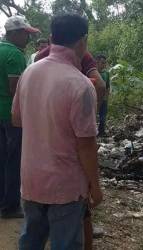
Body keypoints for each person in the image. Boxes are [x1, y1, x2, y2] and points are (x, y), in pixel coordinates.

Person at [12, 13, 103, 249]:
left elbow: (17, 120)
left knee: (30, 240)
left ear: (51, 38)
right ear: (82, 41)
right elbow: (86, 145)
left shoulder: (29, 73)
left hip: (31, 180)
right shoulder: (81, 85)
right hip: (66, 187)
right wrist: (95, 185)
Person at [35, 35, 105, 250]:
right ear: (82, 40)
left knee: (38, 215)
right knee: (79, 210)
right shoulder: (83, 59)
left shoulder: (38, 60)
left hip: (39, 150)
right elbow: (100, 86)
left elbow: (19, 115)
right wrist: (90, 114)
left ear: (51, 38)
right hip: (69, 153)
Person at [0, 16, 39, 219]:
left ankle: (2, 201)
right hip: (11, 116)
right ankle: (10, 206)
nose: (28, 39)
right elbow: (16, 90)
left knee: (2, 157)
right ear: (14, 33)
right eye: (26, 34)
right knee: (14, 160)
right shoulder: (15, 55)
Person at [35, 43, 106, 109]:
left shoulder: (41, 55)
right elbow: (100, 86)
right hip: (73, 110)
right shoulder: (83, 54)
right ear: (83, 40)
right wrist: (92, 111)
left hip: (43, 110)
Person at [95, 54, 110, 137]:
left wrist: (106, 98)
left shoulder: (106, 74)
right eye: (102, 63)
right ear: (97, 62)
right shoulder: (92, 73)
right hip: (94, 99)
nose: (104, 65)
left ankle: (101, 132)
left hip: (103, 99)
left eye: (105, 63)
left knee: (102, 117)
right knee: (92, 117)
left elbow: (108, 86)